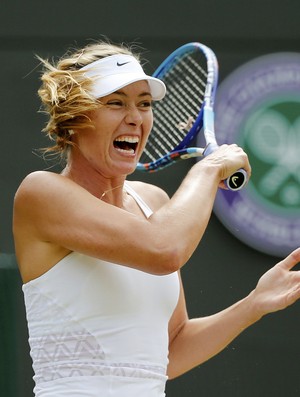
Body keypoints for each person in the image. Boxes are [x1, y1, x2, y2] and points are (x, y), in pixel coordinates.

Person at [13, 39, 300, 397]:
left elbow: (170, 350)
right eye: (116, 103)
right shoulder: (41, 194)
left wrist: (253, 305)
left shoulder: (153, 202)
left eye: (144, 104)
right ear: (73, 119)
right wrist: (208, 169)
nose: (135, 117)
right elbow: (164, 250)